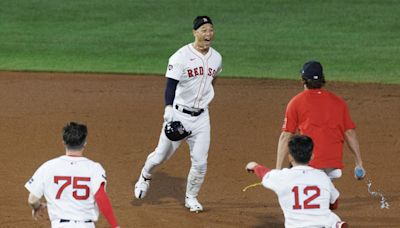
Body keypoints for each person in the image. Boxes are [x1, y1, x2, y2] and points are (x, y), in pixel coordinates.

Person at [133, 15, 222, 213]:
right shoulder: (180, 57)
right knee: (160, 157)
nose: (209, 34)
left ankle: (191, 197)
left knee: (200, 162)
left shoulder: (216, 57)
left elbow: (213, 79)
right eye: (204, 30)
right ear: (195, 33)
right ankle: (145, 177)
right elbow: (170, 86)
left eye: (211, 30)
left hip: (201, 118)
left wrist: (206, 98)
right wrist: (168, 109)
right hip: (179, 116)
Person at [276, 60, 365, 180]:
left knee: (294, 170)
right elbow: (349, 133)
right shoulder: (339, 102)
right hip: (333, 165)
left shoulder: (295, 102)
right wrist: (359, 163)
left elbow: (286, 135)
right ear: (322, 79)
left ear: (303, 79)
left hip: (310, 164)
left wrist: (277, 170)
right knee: (325, 190)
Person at [25, 122, 119, 228]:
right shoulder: (94, 168)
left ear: (64, 143)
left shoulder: (48, 167)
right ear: (85, 143)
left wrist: (37, 207)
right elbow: (100, 195)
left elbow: (32, 199)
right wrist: (115, 226)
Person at [246, 135, 348, 228]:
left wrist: (254, 166)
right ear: (312, 156)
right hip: (321, 225)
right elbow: (334, 204)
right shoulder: (323, 177)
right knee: (330, 217)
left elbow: (265, 173)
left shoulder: (281, 176)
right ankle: (336, 224)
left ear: (290, 157)